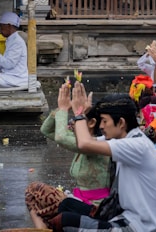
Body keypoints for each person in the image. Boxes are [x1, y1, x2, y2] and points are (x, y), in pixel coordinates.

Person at [50, 83, 156, 232]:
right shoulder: (124, 139)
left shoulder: (137, 145)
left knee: (65, 221)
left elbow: (84, 144)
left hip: (142, 228)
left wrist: (79, 113)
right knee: (67, 205)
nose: (100, 126)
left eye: (104, 121)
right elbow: (86, 140)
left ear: (121, 123)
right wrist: (86, 113)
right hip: (123, 216)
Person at [25, 84, 110, 228]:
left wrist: (64, 110)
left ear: (92, 123)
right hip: (79, 199)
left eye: (79, 119)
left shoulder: (95, 144)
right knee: (34, 197)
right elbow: (46, 130)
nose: (73, 121)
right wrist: (60, 109)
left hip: (95, 208)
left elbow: (61, 137)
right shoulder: (81, 139)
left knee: (35, 191)